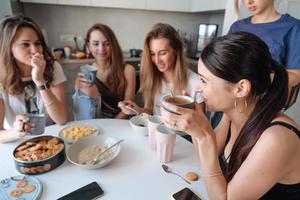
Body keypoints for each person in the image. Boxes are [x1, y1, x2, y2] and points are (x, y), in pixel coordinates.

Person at [161, 32, 300, 199]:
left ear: (240, 89)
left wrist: (204, 137)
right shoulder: (232, 113)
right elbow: (205, 159)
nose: (198, 88)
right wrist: (198, 125)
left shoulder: (278, 139)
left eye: (204, 81)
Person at [0, 15, 67, 143]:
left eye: (37, 43)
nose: (35, 50)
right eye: (25, 45)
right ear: (9, 48)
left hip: (50, 138)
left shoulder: (53, 67)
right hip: (15, 142)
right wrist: (16, 132)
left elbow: (61, 118)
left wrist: (40, 81)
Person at [118, 23, 203, 116]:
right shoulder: (151, 78)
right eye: (153, 54)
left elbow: (202, 123)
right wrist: (136, 110)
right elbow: (150, 111)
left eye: (162, 53)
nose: (157, 60)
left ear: (176, 51)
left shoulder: (196, 83)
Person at [230, 0, 300, 107]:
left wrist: (255, 80)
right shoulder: (237, 26)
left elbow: (296, 76)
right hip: (230, 100)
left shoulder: (293, 27)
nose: (249, 1)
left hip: (264, 106)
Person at [73, 23, 136, 119]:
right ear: (88, 46)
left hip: (121, 121)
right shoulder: (86, 72)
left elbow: (128, 108)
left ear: (113, 45)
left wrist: (112, 125)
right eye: (96, 44)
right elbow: (83, 110)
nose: (101, 49)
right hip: (96, 121)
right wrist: (79, 90)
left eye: (107, 44)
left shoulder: (128, 70)